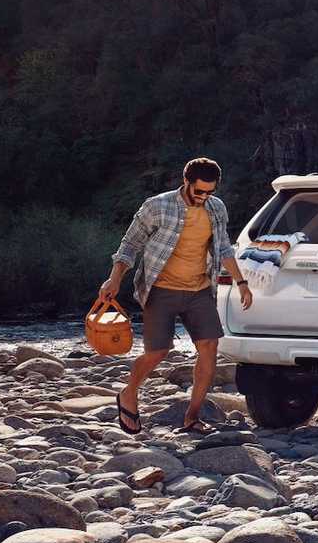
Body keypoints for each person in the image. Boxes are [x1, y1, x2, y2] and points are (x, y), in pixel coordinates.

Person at [99, 158, 252, 434]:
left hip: (199, 289)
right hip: (162, 288)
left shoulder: (216, 208)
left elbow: (224, 247)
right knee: (158, 352)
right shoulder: (157, 206)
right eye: (199, 191)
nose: (204, 197)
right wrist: (114, 278)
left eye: (210, 192)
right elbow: (130, 244)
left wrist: (241, 282)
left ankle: (192, 418)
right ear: (186, 182)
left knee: (209, 347)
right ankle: (128, 393)